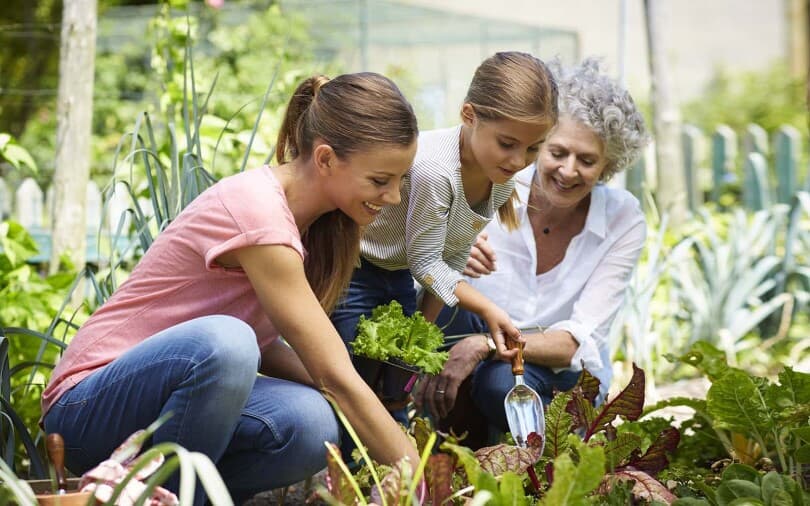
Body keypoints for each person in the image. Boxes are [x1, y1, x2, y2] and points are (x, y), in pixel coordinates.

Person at [41, 72, 422, 504]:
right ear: (326, 158)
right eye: (379, 180)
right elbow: (320, 370)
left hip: (168, 404)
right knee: (228, 342)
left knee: (311, 423)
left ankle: (172, 497)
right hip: (86, 409)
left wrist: (345, 391)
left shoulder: (315, 227)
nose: (392, 196)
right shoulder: (258, 212)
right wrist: (423, 483)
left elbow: (268, 348)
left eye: (400, 181)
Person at [414, 58, 651, 447]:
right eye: (557, 152)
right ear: (537, 145)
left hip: (557, 372)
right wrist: (455, 248)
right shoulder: (498, 181)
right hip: (472, 342)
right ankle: (454, 447)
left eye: (587, 160)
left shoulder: (622, 219)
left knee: (501, 383)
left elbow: (574, 344)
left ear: (608, 165)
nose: (568, 171)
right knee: (453, 317)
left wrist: (486, 346)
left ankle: (549, 453)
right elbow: (420, 263)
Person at [330, 52, 559, 405]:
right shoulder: (436, 170)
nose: (518, 161)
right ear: (469, 115)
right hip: (356, 274)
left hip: (398, 277)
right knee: (355, 394)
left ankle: (398, 460)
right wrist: (488, 308)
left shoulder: (499, 176)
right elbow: (426, 264)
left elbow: (451, 257)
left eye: (533, 148)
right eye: (507, 143)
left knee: (396, 395)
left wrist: (419, 335)